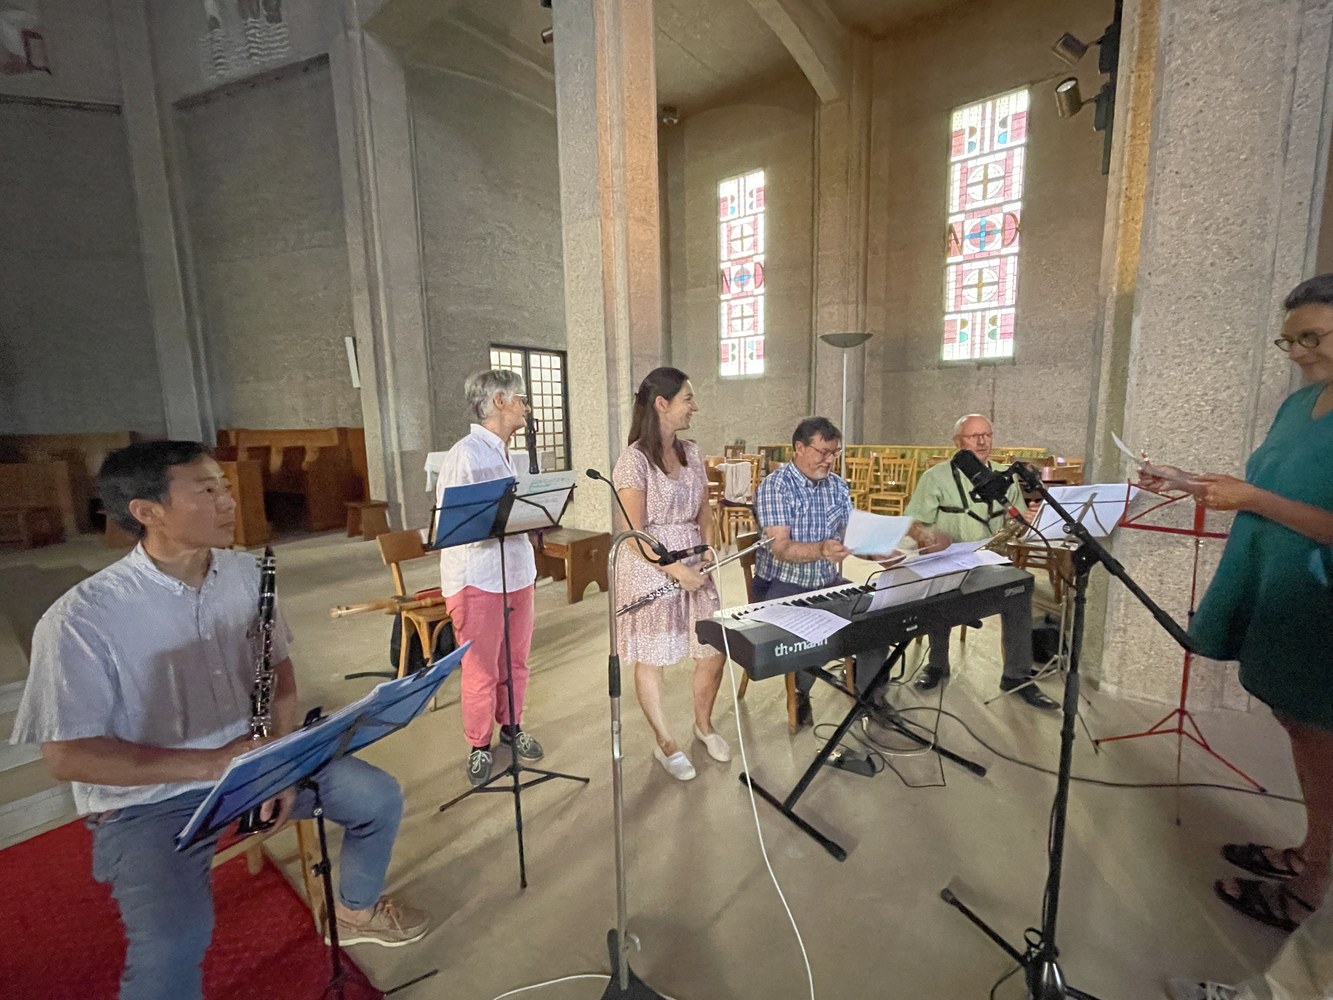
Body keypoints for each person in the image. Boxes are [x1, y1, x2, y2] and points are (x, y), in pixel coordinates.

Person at [9, 441, 427, 1000]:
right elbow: (67, 757)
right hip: (147, 798)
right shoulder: (80, 619)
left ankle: (353, 910)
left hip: (253, 764)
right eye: (207, 490)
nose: (229, 501)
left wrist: (276, 759)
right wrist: (213, 764)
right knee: (173, 943)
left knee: (377, 797)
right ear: (147, 511)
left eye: (225, 487)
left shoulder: (248, 572)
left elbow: (280, 674)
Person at [1168, 277, 1333, 934]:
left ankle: (1312, 883)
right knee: (1300, 726)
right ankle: (1310, 851)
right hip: (1277, 587)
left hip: (1320, 597)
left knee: (1321, 733)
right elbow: (1267, 483)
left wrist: (1255, 501)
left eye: (1311, 337)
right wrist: (1188, 483)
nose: (1297, 352)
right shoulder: (1299, 406)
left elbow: (1269, 500)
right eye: (1287, 341)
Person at [752, 416, 952, 727]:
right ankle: (801, 691)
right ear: (799, 448)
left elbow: (850, 535)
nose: (830, 460)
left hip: (826, 581)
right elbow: (781, 548)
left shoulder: (835, 485)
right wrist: (822, 549)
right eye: (823, 452)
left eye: (835, 453)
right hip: (782, 585)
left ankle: (871, 694)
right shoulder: (776, 487)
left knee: (879, 615)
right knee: (813, 632)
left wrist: (881, 551)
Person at [613, 367, 728, 782]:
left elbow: (704, 512)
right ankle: (664, 742)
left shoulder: (692, 453)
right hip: (650, 565)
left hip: (694, 559)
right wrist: (677, 571)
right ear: (662, 404)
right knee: (652, 658)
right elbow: (634, 534)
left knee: (713, 648)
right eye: (688, 399)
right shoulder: (633, 461)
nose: (695, 407)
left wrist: (707, 549)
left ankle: (704, 725)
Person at [903, 413, 1058, 710]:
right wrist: (928, 536)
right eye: (974, 436)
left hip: (991, 561)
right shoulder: (935, 477)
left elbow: (1017, 525)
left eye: (987, 435)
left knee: (1022, 589)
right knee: (938, 589)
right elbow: (911, 522)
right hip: (948, 562)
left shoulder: (1005, 476)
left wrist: (1028, 519)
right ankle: (937, 665)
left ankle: (1016, 676)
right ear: (957, 442)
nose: (983, 441)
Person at [437, 369, 545, 788]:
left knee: (516, 661)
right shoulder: (465, 455)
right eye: (521, 399)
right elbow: (455, 525)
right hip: (477, 578)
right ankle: (479, 744)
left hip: (516, 572)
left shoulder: (506, 453)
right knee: (481, 668)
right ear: (499, 401)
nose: (526, 407)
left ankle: (511, 727)